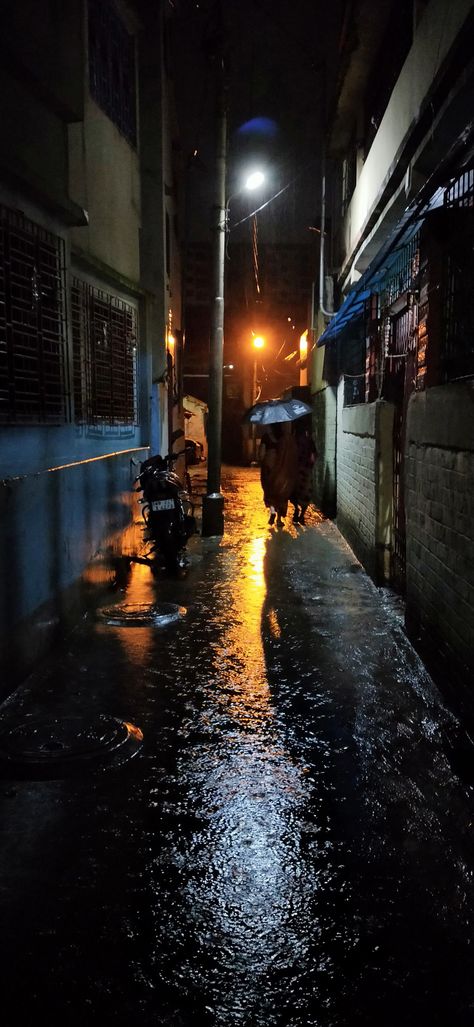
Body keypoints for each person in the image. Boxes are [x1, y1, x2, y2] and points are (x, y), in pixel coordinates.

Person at [258, 422, 298, 526]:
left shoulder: (266, 437)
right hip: (281, 467)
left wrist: (263, 459)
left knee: (269, 491)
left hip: (268, 467)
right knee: (282, 492)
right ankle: (279, 519)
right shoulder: (284, 438)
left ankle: (272, 512)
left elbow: (261, 454)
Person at [290, 423, 317, 524]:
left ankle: (296, 509)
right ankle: (302, 515)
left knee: (294, 493)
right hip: (306, 472)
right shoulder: (309, 441)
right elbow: (313, 457)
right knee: (306, 494)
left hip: (296, 471)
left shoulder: (294, 442)